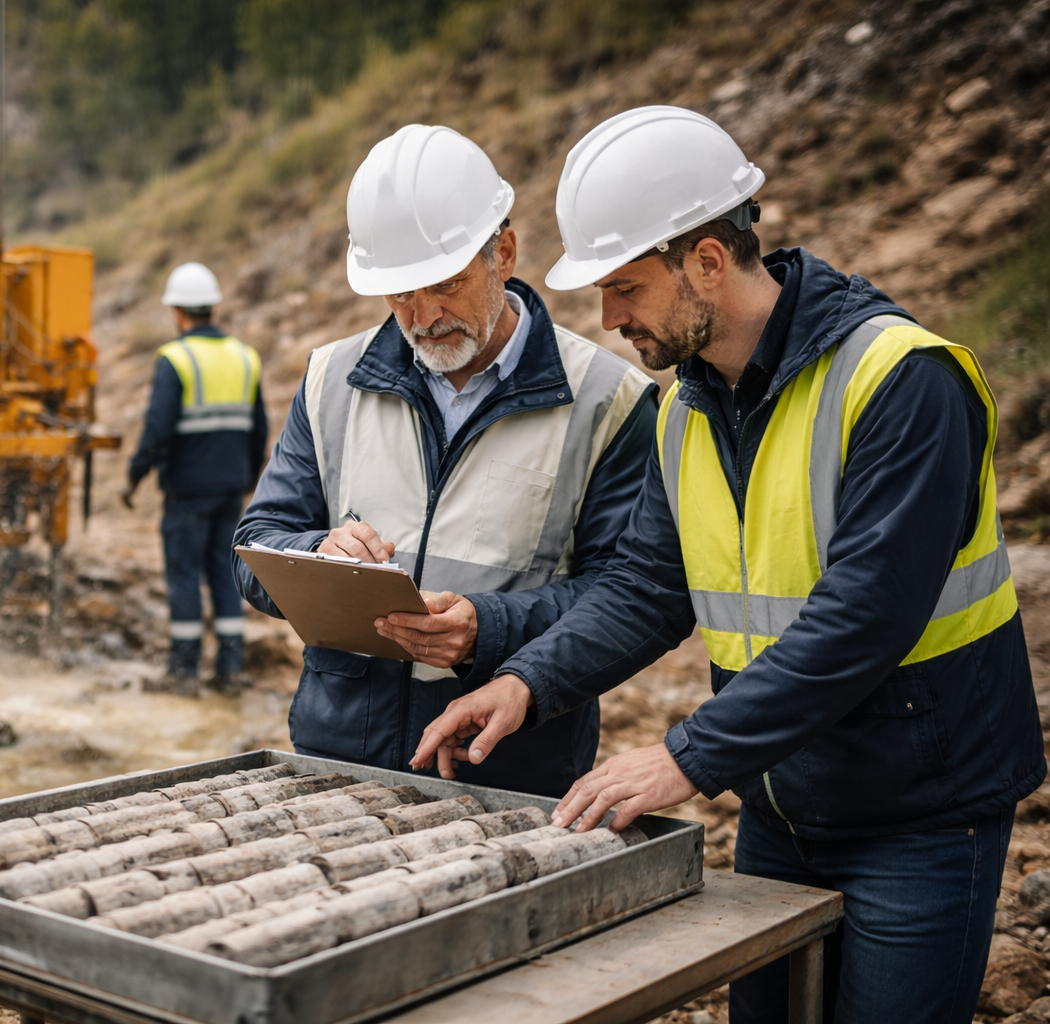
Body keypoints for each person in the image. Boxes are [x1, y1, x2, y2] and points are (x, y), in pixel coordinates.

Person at [412, 106, 1046, 1023]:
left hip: (923, 817)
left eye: (625, 287)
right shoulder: (688, 409)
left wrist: (686, 756)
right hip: (784, 806)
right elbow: (644, 588)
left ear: (707, 260)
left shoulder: (903, 381)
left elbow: (865, 616)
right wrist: (525, 681)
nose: (607, 317)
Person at [231, 124, 656, 796]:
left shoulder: (609, 399)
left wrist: (488, 630)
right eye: (400, 294)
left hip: (509, 770)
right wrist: (321, 555)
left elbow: (629, 594)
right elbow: (254, 550)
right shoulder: (329, 381)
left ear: (505, 253)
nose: (424, 315)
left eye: (448, 285)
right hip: (338, 761)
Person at [125, 262, 268, 695]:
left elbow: (157, 427)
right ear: (213, 307)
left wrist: (134, 475)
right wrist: (248, 477)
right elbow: (260, 428)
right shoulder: (246, 356)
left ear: (177, 311)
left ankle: (184, 672)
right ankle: (229, 669)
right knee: (224, 575)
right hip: (231, 488)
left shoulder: (175, 358)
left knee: (184, 574)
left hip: (187, 491)